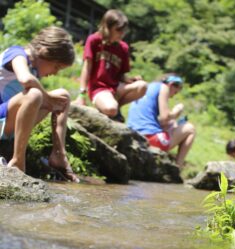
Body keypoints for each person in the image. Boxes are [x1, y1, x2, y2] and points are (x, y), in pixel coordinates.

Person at [0, 26, 79, 182]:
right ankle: (17, 160)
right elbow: (25, 79)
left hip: (7, 124)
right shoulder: (17, 54)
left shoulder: (35, 70)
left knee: (63, 96)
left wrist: (49, 99)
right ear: (44, 51)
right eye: (56, 66)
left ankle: (58, 154)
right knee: (34, 94)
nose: (55, 73)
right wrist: (47, 98)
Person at [73, 9, 147, 121]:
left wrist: (131, 80)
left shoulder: (123, 48)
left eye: (123, 31)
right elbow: (87, 67)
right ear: (107, 27)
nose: (121, 34)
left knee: (142, 86)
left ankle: (116, 107)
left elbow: (121, 75)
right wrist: (81, 94)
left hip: (115, 88)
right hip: (98, 88)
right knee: (111, 109)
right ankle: (110, 108)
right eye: (118, 30)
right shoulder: (94, 40)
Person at [127, 74, 196, 168]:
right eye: (175, 92)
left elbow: (159, 121)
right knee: (190, 129)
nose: (171, 97)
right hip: (150, 139)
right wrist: (177, 111)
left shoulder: (147, 87)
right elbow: (165, 118)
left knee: (172, 124)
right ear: (171, 84)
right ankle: (178, 167)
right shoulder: (164, 87)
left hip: (133, 136)